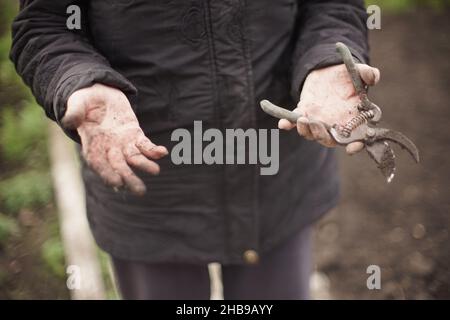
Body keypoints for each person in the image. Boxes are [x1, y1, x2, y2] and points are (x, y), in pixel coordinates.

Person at [10, 0, 380, 299]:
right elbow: (45, 24)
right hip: (150, 189)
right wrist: (78, 81)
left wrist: (328, 60)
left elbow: (333, 6)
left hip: (278, 177)